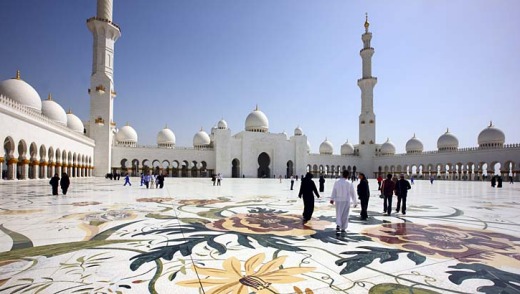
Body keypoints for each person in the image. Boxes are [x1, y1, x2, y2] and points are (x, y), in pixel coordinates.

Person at [330, 170, 357, 235]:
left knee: (338, 213)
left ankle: (338, 225)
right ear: (348, 175)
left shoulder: (337, 182)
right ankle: (343, 227)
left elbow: (334, 190)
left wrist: (332, 199)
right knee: (345, 214)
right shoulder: (349, 183)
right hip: (346, 200)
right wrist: (355, 202)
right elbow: (353, 193)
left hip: (338, 200)